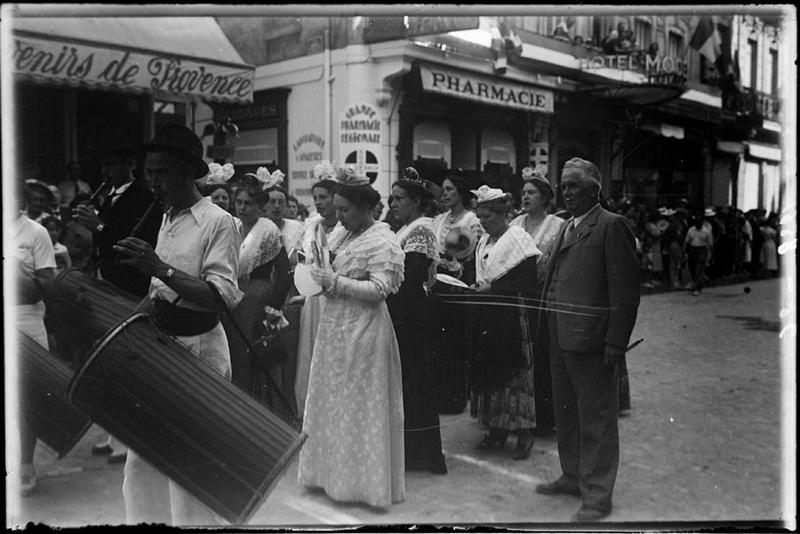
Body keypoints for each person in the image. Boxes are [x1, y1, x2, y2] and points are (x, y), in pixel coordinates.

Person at [112, 124, 243, 526]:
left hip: (199, 350)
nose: (153, 182)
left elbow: (221, 297)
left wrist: (159, 266)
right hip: (160, 349)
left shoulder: (219, 222)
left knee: (191, 470)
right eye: (148, 173)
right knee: (142, 464)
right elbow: (158, 291)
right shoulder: (166, 216)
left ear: (188, 171)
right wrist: (123, 326)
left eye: (161, 172)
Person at [537, 157, 640, 522]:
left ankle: (597, 496)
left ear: (594, 190)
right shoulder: (566, 226)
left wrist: (615, 343)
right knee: (566, 413)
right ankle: (571, 476)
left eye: (574, 186)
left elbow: (625, 292)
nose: (566, 192)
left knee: (596, 419)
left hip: (592, 341)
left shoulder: (612, 226)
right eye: (564, 186)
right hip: (558, 335)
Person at [298, 165, 405, 508]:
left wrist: (336, 283)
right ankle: (328, 477)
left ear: (365, 209)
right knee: (333, 398)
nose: (338, 216)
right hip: (334, 326)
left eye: (345, 210)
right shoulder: (344, 234)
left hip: (364, 329)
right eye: (337, 208)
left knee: (359, 403)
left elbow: (381, 288)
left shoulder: (382, 240)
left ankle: (363, 486)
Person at [468, 185, 541, 460]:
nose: (482, 222)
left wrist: (494, 288)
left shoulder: (517, 238)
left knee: (513, 372)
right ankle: (496, 429)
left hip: (510, 314)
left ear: (501, 214)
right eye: (480, 216)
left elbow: (528, 280)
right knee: (489, 370)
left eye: (487, 216)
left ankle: (524, 433)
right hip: (488, 313)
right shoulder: (485, 241)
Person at [387, 167, 447, 474]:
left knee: (414, 379)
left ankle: (420, 454)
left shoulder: (421, 230)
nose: (393, 204)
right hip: (402, 308)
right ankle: (408, 450)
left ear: (416, 202)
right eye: (392, 199)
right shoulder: (404, 229)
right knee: (406, 379)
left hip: (411, 311)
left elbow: (411, 278)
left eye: (399, 199)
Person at [73, 130, 161, 299]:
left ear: (130, 165)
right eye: (102, 166)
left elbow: (134, 242)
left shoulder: (145, 197)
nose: (105, 172)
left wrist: (98, 225)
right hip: (109, 281)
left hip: (131, 286)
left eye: (110, 165)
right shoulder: (109, 197)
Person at [229, 175, 292, 409]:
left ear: (259, 206)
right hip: (234, 295)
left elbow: (285, 273)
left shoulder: (268, 230)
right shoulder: (232, 226)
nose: (243, 208)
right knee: (235, 351)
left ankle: (259, 408)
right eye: (239, 203)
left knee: (255, 353)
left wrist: (273, 308)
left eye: (249, 204)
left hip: (258, 296)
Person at [509, 165, 564, 432]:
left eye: (531, 192)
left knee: (541, 357)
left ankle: (543, 418)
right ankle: (519, 417)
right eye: (523, 192)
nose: (526, 197)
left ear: (544, 197)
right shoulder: (515, 224)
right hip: (517, 298)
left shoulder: (558, 226)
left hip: (542, 301)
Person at [13, 183, 57, 496]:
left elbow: (46, 287)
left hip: (27, 320)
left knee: (25, 399)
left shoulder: (36, 233)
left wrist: (15, 272)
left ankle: (26, 463)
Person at [252, 166, 304, 416]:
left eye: (281, 202)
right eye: (272, 201)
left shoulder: (296, 228)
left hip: (289, 294)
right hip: (262, 292)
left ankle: (286, 403)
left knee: (287, 350)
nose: (276, 206)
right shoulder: (256, 227)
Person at [294, 160, 344, 418]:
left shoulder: (345, 228)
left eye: (323, 197)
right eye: (315, 198)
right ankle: (313, 409)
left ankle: (334, 409)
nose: (319, 202)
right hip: (313, 299)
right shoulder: (312, 225)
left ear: (336, 197)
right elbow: (304, 259)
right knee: (312, 350)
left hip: (336, 296)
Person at [430, 171, 483, 414]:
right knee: (439, 341)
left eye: (450, 189)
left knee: (456, 341)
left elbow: (475, 253)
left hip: (460, 284)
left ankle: (456, 397)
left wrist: (459, 266)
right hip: (439, 281)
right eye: (443, 189)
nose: (445, 194)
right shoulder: (439, 219)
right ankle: (440, 395)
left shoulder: (472, 221)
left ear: (461, 193)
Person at [685, 213, 714, 295]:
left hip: (702, 250)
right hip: (692, 249)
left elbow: (710, 244)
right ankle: (698, 283)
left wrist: (711, 253)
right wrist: (684, 251)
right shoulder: (691, 230)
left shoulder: (706, 231)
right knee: (692, 267)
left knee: (699, 268)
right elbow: (687, 241)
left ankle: (696, 287)